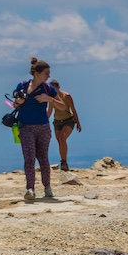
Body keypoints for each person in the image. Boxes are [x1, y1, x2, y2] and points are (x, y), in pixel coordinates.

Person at [13, 57, 61, 201]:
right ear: (37, 73)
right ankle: (30, 189)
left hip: (43, 127)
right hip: (26, 126)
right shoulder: (22, 85)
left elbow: (63, 106)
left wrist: (49, 99)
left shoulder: (48, 89)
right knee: (29, 158)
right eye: (46, 73)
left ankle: (47, 187)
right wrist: (19, 101)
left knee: (43, 158)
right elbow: (15, 105)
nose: (48, 76)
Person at [50, 78, 81, 171]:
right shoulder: (50, 98)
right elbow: (49, 111)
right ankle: (63, 161)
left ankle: (64, 162)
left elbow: (73, 109)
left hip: (68, 120)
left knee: (62, 138)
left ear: (58, 87)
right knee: (60, 141)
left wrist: (78, 123)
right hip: (57, 121)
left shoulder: (66, 96)